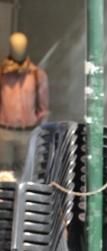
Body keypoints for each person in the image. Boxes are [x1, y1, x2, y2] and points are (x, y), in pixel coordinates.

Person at [0, 32, 48, 175]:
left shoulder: (37, 74)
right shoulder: (2, 74)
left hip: (27, 132)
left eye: (20, 46)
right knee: (3, 174)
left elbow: (43, 106)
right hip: (4, 132)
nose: (18, 50)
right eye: (15, 47)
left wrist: (36, 126)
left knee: (25, 174)